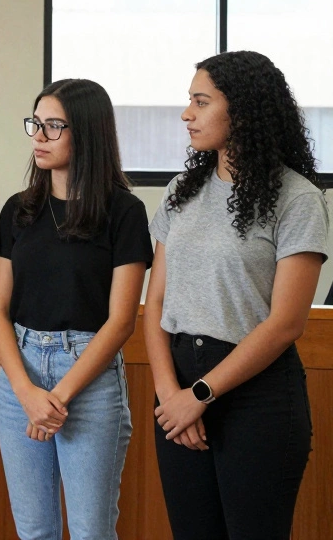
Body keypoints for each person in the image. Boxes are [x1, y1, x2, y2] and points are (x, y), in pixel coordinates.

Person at [145, 51, 327, 539]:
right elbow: (155, 306)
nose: (187, 114)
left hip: (257, 397)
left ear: (242, 112)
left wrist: (201, 395)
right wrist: (171, 396)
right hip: (178, 389)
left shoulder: (297, 198)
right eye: (189, 102)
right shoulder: (181, 190)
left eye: (200, 102)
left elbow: (287, 323)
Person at [0, 79, 151, 539]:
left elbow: (121, 322)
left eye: (54, 126)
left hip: (89, 375)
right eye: (36, 124)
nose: (39, 136)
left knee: (90, 531)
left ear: (88, 133)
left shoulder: (124, 212)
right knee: (35, 530)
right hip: (19, 374)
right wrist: (27, 392)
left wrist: (56, 398)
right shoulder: (18, 209)